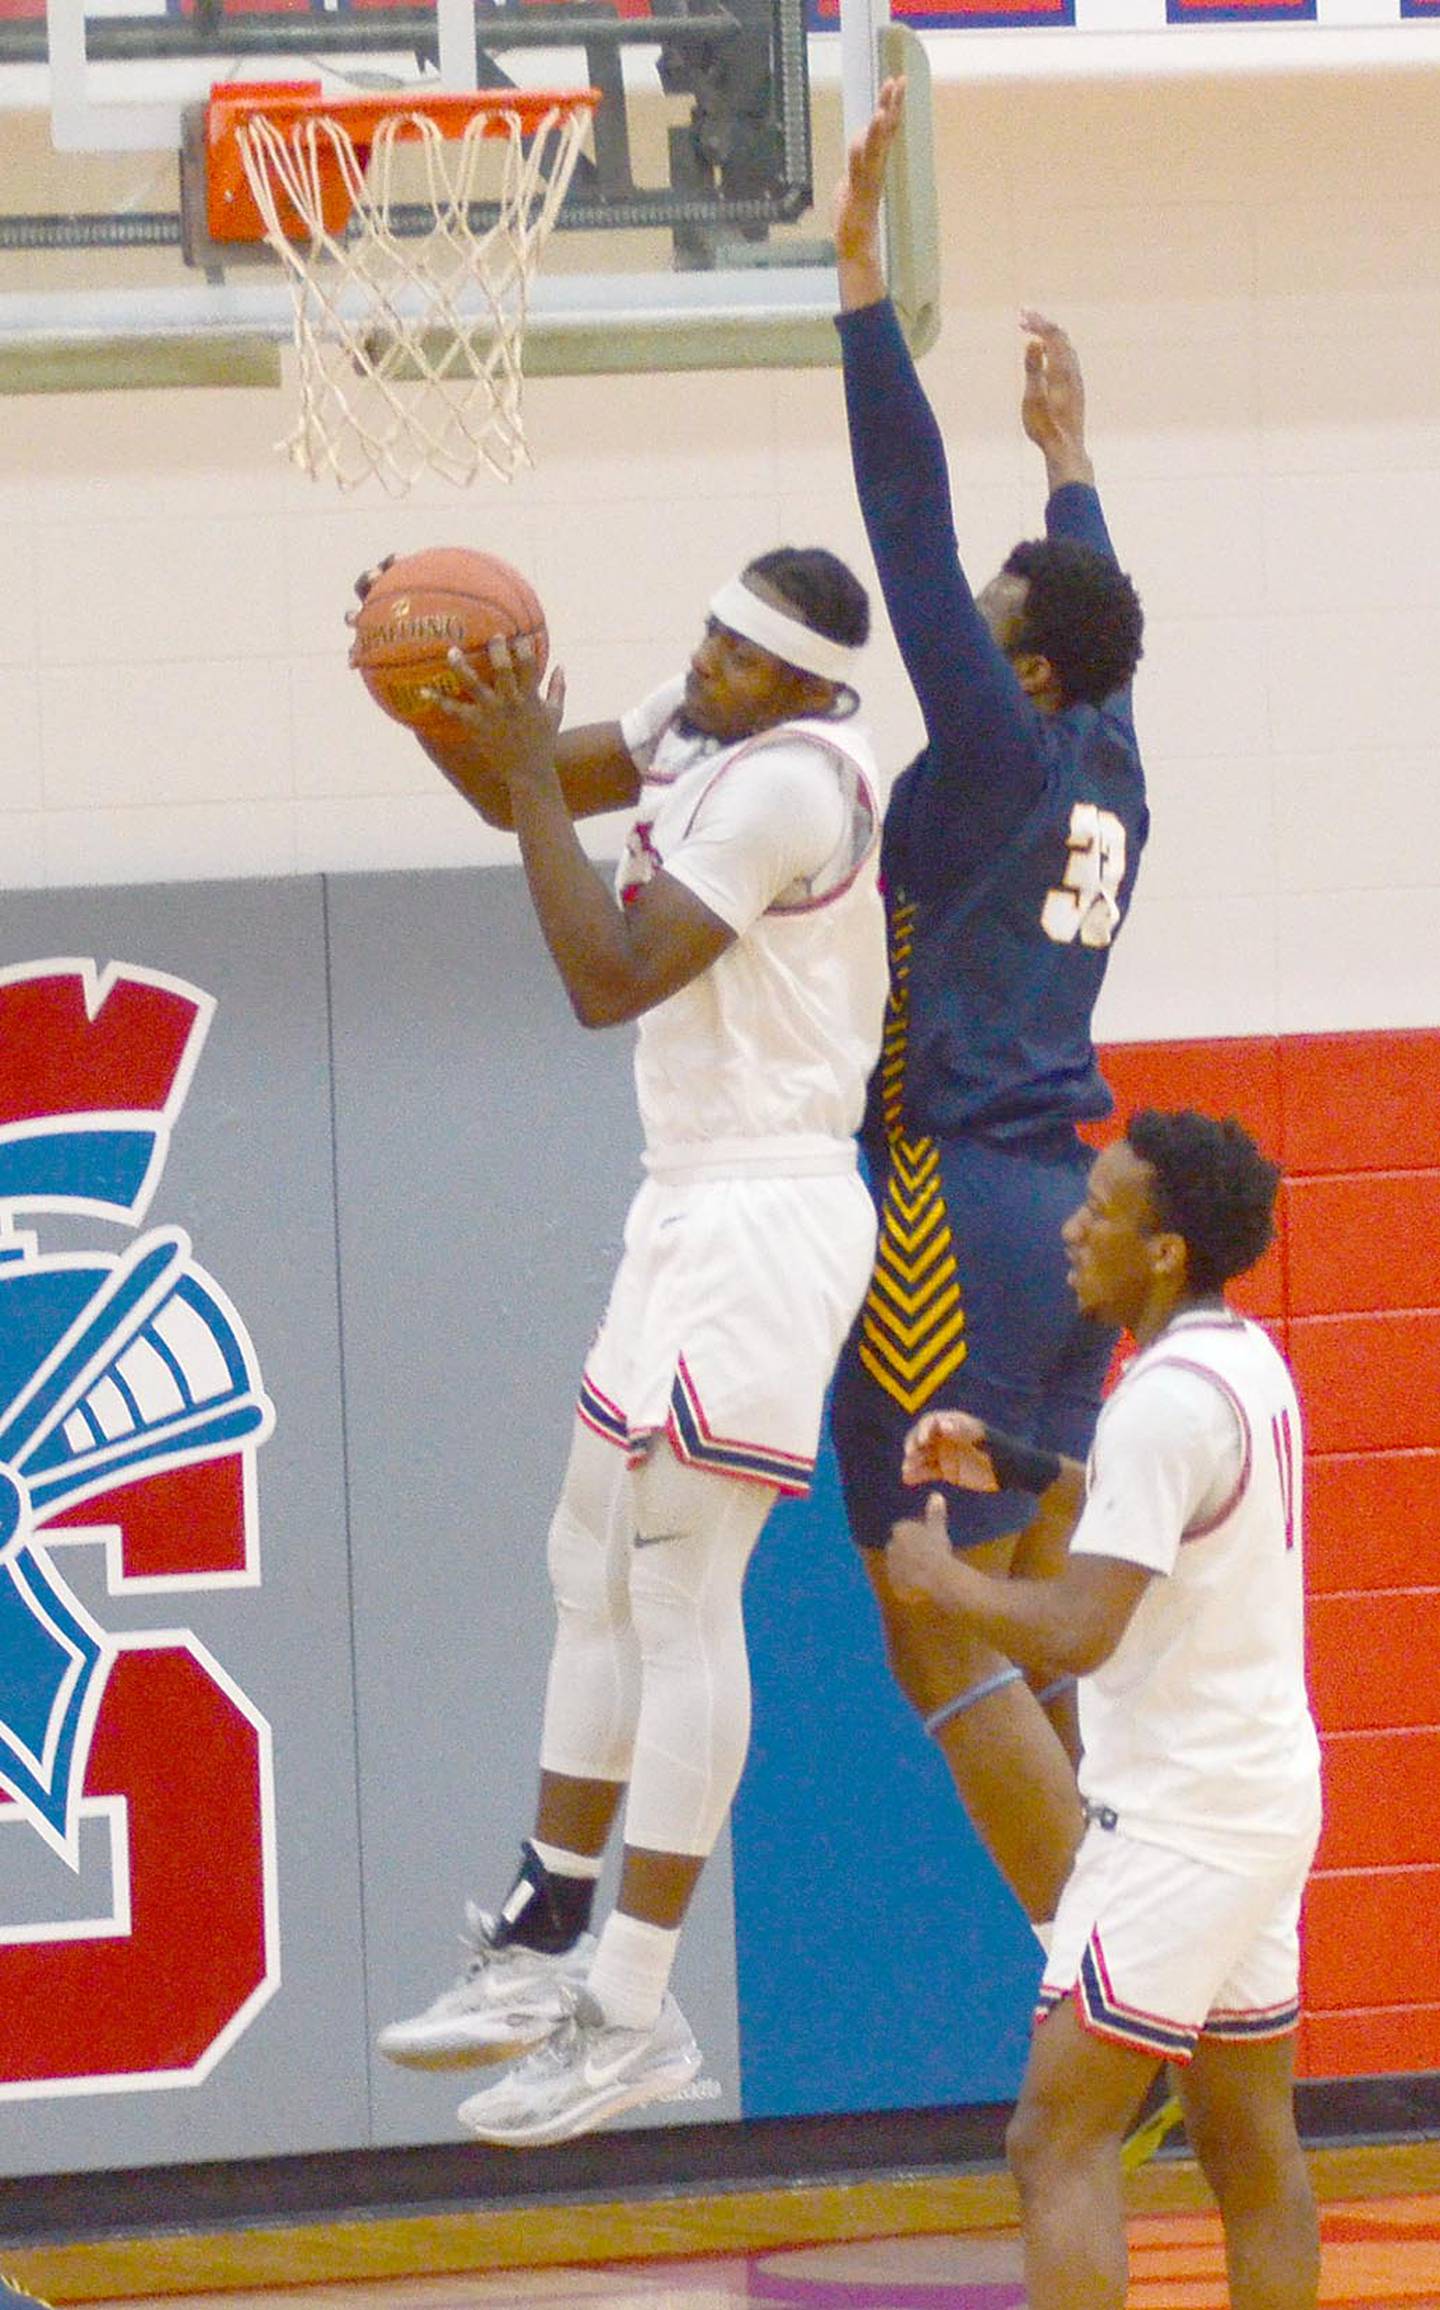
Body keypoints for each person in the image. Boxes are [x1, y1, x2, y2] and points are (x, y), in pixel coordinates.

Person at [371, 546, 888, 2146]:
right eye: (708, 634)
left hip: (769, 1208)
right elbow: (506, 795)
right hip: (683, 1198)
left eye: (739, 655)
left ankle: (640, 2004)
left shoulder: (794, 784)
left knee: (677, 1590)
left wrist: (527, 773)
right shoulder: (708, 717)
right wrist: (431, 695)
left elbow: (606, 975)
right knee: (580, 1555)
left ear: (808, 685)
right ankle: (543, 1938)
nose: (705, 664)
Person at [828, 78, 1149, 1941]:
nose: (973, 611)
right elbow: (1092, 603)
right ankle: (1158, 1972)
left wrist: (861, 275)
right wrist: (1074, 458)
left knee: (932, 1604)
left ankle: (1112, 1980)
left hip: (955, 1212)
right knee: (1023, 1602)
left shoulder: (1006, 740)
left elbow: (900, 509)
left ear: (1014, 662)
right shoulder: (1111, 760)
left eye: (1001, 605)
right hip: (1071, 1243)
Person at [893, 1110, 1322, 2310]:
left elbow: (1081, 1628)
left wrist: (945, 1581)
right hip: (1262, 1802)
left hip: (1181, 1826)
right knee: (1250, 2154)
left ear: (1167, 1250)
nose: (1073, 1230)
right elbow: (1161, 1519)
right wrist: (1023, 1468)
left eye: (1102, 1212)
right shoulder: (1240, 1361)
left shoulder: (1161, 1404)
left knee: (1053, 2140)